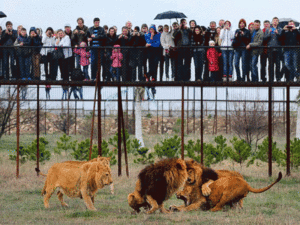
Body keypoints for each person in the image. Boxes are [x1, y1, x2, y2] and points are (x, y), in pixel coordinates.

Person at [264, 17, 282, 82]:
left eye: (276, 20)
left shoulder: (280, 29)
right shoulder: (268, 29)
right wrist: (269, 33)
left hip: (277, 49)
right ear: (272, 22)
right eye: (274, 20)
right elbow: (265, 39)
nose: (275, 22)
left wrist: (277, 33)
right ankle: (271, 79)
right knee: (270, 65)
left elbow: (281, 39)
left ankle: (278, 78)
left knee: (278, 65)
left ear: (278, 22)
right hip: (270, 49)